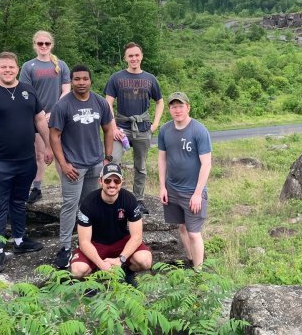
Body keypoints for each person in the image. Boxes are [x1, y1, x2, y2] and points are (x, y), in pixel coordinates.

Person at [0, 52, 53, 272]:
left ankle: (19, 240)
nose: (7, 70)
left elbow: (39, 119)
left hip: (25, 160)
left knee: (19, 202)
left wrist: (47, 146)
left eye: (11, 67)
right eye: (3, 67)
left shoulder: (29, 91)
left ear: (18, 68)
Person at [49, 64, 114, 269]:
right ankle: (66, 247)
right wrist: (63, 163)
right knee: (70, 205)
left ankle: (91, 242)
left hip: (96, 163)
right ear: (72, 81)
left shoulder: (100, 102)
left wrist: (107, 158)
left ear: (90, 80)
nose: (81, 83)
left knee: (91, 205)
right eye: (77, 79)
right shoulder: (63, 105)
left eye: (85, 79)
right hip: (73, 166)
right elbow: (54, 136)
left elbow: (108, 130)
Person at [104, 42, 164, 214]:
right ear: (125, 58)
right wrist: (113, 127)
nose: (134, 58)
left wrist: (155, 124)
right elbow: (108, 102)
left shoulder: (150, 79)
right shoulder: (116, 78)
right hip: (121, 127)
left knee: (141, 166)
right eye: (130, 56)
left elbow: (160, 101)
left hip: (143, 127)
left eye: (137, 55)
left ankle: (139, 199)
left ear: (142, 56)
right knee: (113, 161)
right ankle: (115, 197)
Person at [157, 92, 212, 268]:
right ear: (169, 109)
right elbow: (161, 159)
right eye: (173, 106)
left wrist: (197, 194)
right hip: (172, 188)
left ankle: (199, 270)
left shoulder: (199, 130)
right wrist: (162, 187)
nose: (177, 110)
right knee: (181, 228)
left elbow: (206, 164)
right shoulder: (165, 130)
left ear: (188, 107)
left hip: (192, 191)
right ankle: (190, 259)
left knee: (194, 233)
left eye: (180, 106)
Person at [70, 163, 152, 279]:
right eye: (107, 180)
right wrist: (101, 264)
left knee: (145, 261)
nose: (112, 185)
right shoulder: (88, 203)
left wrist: (121, 259)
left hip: (121, 242)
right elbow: (84, 242)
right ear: (100, 181)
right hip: (96, 244)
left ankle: (125, 271)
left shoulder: (129, 199)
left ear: (121, 182)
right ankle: (94, 279)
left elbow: (137, 236)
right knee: (77, 270)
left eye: (116, 181)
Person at [19, 30, 70, 203]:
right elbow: (25, 93)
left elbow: (66, 91)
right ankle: (37, 187)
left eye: (46, 43)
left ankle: (67, 188)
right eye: (40, 43)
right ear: (35, 45)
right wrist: (39, 112)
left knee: (59, 153)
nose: (43, 46)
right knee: (39, 154)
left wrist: (54, 111)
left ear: (51, 45)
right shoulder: (28, 66)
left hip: (58, 116)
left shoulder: (61, 65)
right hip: (36, 117)